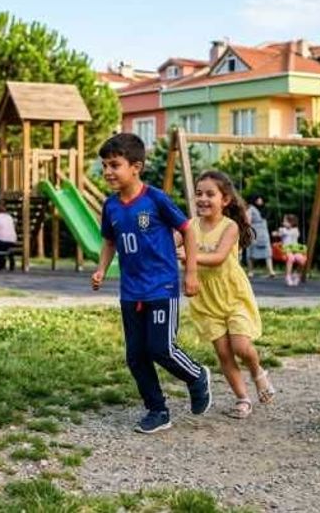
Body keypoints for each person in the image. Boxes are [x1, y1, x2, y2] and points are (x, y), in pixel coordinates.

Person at [91, 133, 211, 434]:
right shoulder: (111, 207)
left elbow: (188, 231)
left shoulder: (156, 199)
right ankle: (157, 410)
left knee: (161, 348)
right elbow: (109, 240)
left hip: (162, 287)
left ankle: (197, 377)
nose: (107, 171)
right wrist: (101, 269)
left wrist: (191, 272)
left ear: (136, 167)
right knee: (135, 356)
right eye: (104, 165)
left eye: (114, 165)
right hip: (130, 291)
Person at [182, 171, 275, 419]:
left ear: (225, 200)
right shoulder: (189, 226)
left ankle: (257, 373)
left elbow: (218, 257)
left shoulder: (230, 226)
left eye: (210, 194)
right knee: (223, 352)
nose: (202, 198)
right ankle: (243, 398)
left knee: (241, 346)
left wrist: (189, 256)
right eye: (199, 193)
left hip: (232, 294)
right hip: (205, 298)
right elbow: (169, 243)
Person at [245, 195, 275, 279]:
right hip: (254, 232)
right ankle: (250, 271)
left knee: (267, 252)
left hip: (264, 232)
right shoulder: (251, 209)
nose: (260, 200)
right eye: (258, 199)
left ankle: (271, 271)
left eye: (261, 198)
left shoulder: (264, 209)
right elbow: (248, 221)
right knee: (251, 252)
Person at [276, 214, 306, 287]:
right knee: (291, 258)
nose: (283, 223)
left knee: (302, 259)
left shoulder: (295, 230)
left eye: (285, 221)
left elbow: (293, 234)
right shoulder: (282, 230)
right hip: (285, 250)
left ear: (291, 223)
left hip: (294, 249)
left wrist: (282, 232)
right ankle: (288, 276)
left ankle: (296, 274)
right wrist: (277, 233)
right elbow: (278, 234)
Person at [0, 202, 18, 270]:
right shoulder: (10, 218)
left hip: (1, 241)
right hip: (12, 241)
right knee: (3, 246)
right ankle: (9, 264)